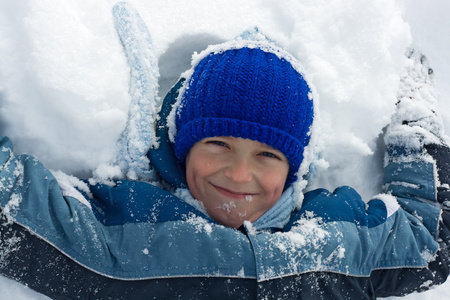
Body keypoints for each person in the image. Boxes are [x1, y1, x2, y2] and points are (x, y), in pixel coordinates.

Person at [0, 36, 449, 299]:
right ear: (182, 145)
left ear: (295, 168)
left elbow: (429, 240)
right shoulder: (121, 240)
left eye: (268, 155)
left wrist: (413, 113)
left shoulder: (337, 243)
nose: (238, 174)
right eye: (217, 143)